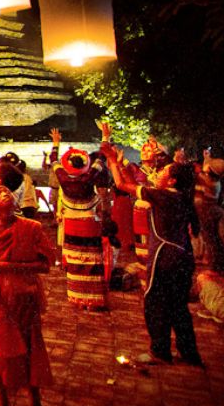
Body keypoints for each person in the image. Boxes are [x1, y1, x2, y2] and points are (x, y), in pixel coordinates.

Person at [102, 137, 203, 366]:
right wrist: (123, 165)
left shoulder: (164, 196)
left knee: (155, 302)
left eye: (164, 172)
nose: (159, 174)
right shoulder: (180, 196)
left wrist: (111, 161)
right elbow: (135, 189)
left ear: (172, 180)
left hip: (165, 258)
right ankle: (189, 353)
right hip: (182, 256)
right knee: (178, 306)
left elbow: (121, 186)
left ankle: (160, 350)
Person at [0, 184, 55, 406]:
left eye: (7, 191)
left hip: (25, 295)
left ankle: (35, 402)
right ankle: (2, 404)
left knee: (31, 347)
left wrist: (10, 267)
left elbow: (45, 265)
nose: (5, 193)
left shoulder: (32, 227)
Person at [49, 128, 111, 310]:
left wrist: (56, 143)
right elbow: (100, 157)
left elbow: (53, 160)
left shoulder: (63, 178)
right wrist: (105, 136)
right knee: (92, 262)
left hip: (72, 226)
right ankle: (93, 300)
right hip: (89, 225)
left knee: (75, 263)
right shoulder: (89, 177)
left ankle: (78, 298)